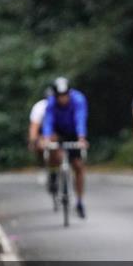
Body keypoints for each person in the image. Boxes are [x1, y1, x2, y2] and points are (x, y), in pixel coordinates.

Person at [41, 77, 89, 218]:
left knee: (78, 166)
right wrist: (46, 138)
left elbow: (81, 118)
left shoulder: (78, 99)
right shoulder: (51, 103)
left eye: (65, 95)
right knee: (54, 152)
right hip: (58, 132)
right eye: (60, 96)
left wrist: (81, 137)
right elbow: (48, 121)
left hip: (74, 132)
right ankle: (53, 174)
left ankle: (79, 201)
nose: (63, 99)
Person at [28, 85, 55, 191]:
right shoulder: (39, 107)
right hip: (42, 131)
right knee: (39, 146)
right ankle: (42, 167)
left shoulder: (60, 106)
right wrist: (33, 141)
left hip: (55, 131)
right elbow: (34, 127)